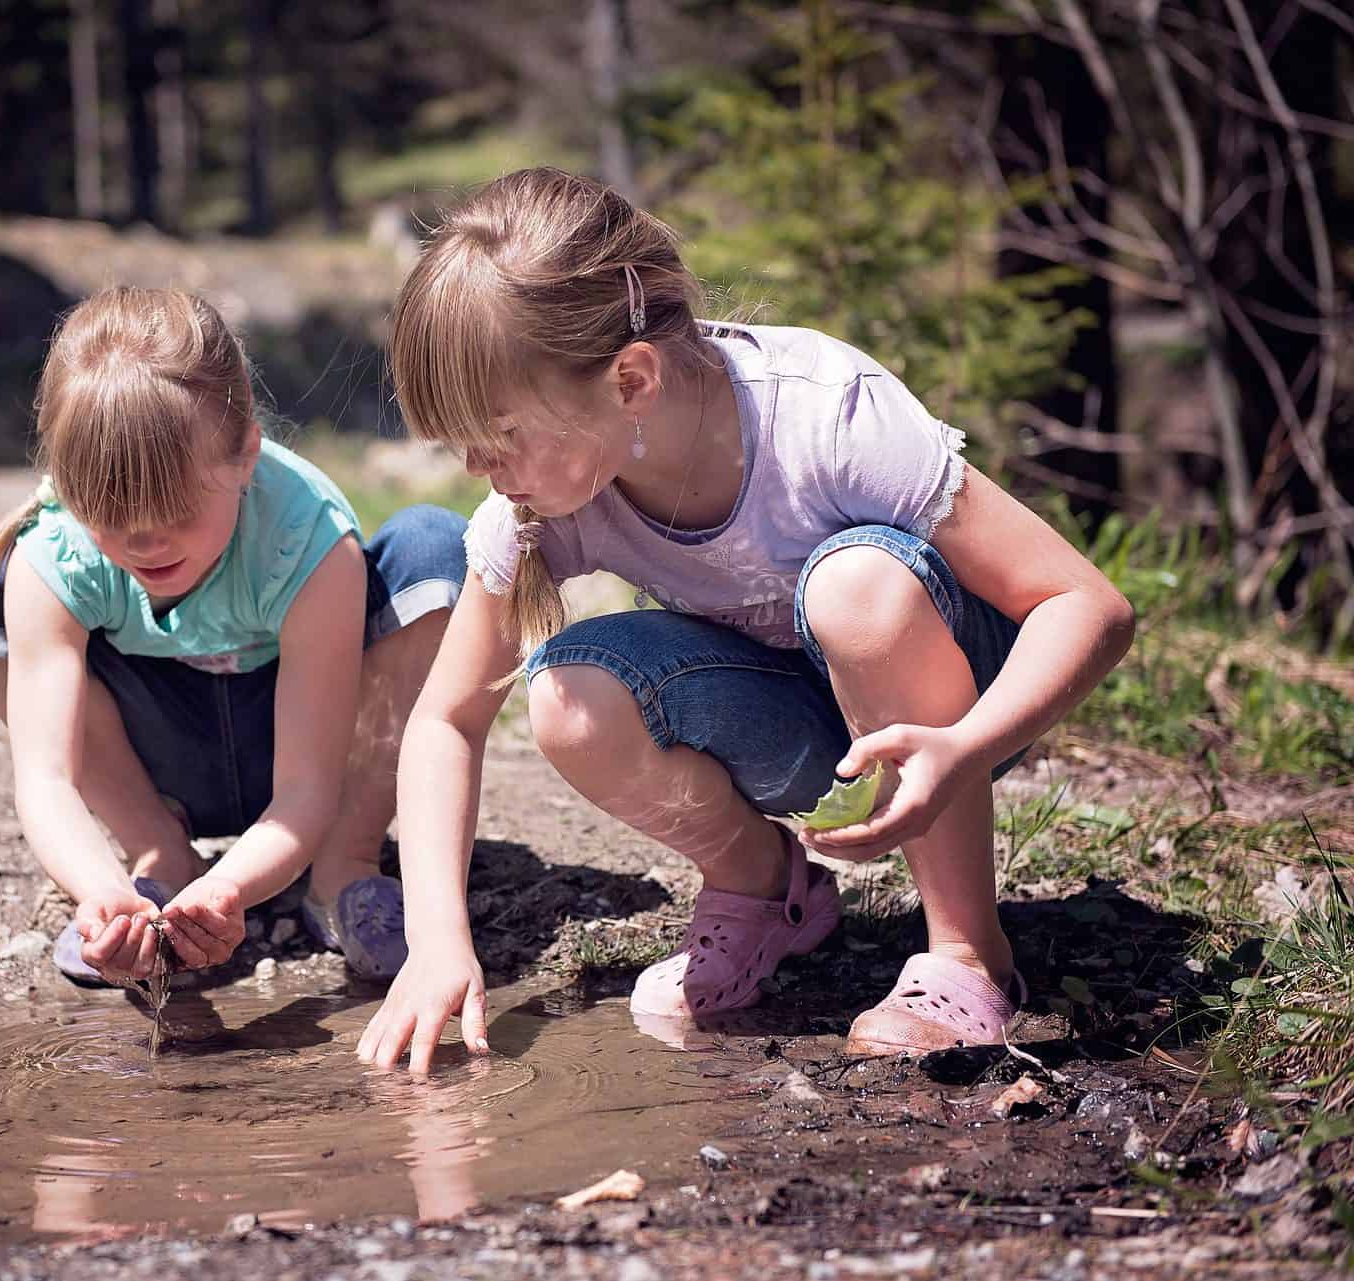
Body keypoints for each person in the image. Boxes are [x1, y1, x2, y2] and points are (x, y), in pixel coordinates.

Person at [355, 168, 1135, 1072]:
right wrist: (438, 939)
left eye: (498, 437)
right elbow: (447, 719)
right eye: (461, 446)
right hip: (811, 740)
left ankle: (967, 951)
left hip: (945, 715)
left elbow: (1089, 605)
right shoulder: (544, 505)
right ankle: (767, 892)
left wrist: (962, 748)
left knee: (856, 591)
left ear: (631, 379)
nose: (477, 470)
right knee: (568, 695)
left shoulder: (824, 413)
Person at [0, 286, 466, 984]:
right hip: (162, 761)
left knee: (436, 545)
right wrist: (103, 895)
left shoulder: (305, 540)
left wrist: (232, 891)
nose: (144, 539)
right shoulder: (57, 553)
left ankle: (344, 866)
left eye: (176, 510)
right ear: (67, 488)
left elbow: (306, 786)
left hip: (303, 754)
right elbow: (45, 777)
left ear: (246, 455)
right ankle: (158, 854)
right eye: (108, 515)